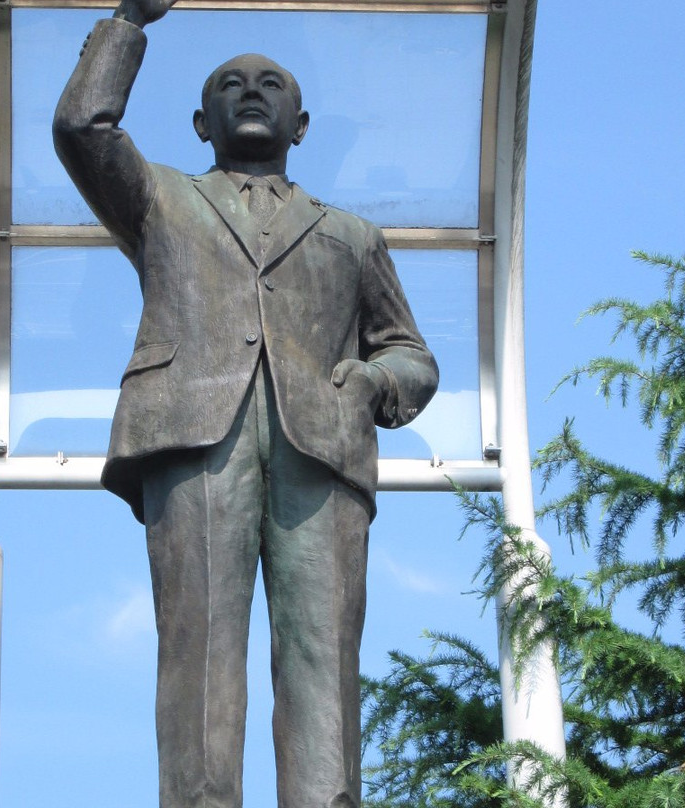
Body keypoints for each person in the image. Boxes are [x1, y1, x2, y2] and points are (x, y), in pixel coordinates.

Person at [53, 2, 438, 805]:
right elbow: (82, 129)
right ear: (200, 121)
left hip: (321, 451)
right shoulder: (161, 201)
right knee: (197, 653)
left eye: (271, 84)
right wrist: (129, 21)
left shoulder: (353, 234)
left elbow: (410, 353)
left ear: (302, 125)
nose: (251, 91)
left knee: (323, 658)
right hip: (196, 436)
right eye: (230, 85)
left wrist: (373, 382)